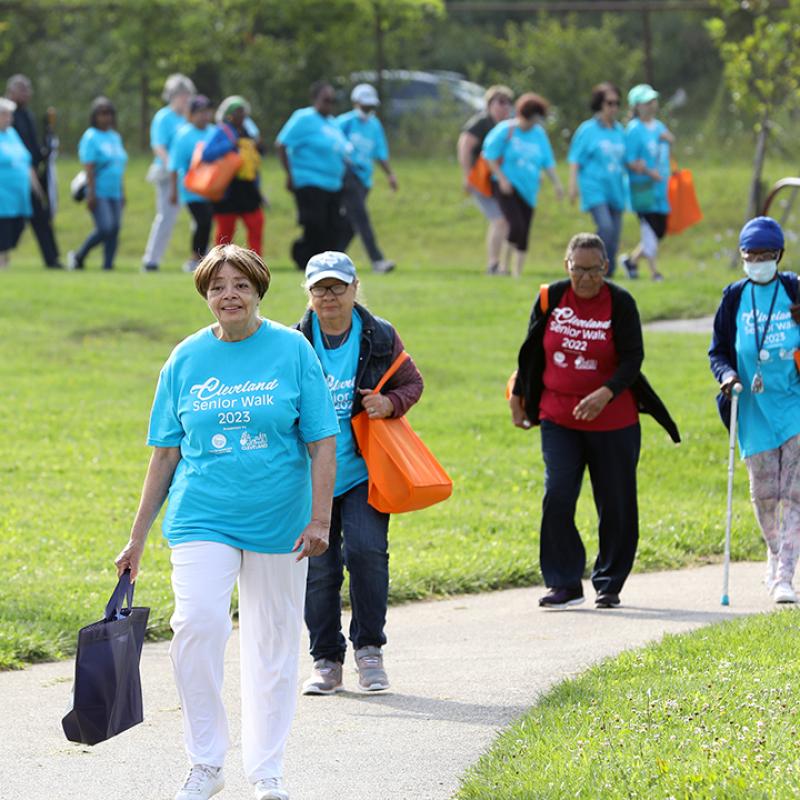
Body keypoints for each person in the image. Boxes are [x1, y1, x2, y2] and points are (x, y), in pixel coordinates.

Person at [114, 244, 338, 800]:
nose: (229, 295)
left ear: (259, 290)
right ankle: (206, 765)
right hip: (201, 516)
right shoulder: (185, 359)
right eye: (217, 286)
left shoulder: (292, 350)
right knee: (196, 626)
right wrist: (137, 539)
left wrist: (320, 519)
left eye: (240, 284)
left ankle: (266, 774)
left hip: (280, 520)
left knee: (273, 643)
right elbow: (165, 454)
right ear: (206, 295)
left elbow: (322, 442)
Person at [509, 232, 679, 610]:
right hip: (559, 416)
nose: (585, 279)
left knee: (615, 502)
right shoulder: (550, 298)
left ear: (605, 267)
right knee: (558, 494)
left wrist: (606, 393)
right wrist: (517, 397)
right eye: (578, 270)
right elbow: (531, 352)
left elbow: (633, 359)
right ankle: (564, 583)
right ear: (566, 266)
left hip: (613, 421)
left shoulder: (620, 302)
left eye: (593, 270)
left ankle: (609, 582)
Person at [294, 251, 423, 694]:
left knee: (367, 554)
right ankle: (326, 659)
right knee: (320, 568)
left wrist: (389, 404)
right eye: (320, 288)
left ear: (354, 289)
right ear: (309, 295)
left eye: (337, 287)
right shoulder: (293, 342)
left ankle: (370, 651)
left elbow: (412, 383)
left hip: (364, 470)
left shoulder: (379, 335)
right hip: (311, 477)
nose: (328, 296)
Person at [709, 217, 800, 605]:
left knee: (795, 493)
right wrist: (727, 376)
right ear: (742, 257)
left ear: (779, 255)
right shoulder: (734, 297)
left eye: (766, 255)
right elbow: (718, 352)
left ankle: (785, 575)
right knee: (765, 494)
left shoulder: (795, 290)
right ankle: (775, 553)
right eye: (751, 255)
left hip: (793, 402)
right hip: (752, 407)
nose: (758, 261)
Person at [482, 92, 563, 278]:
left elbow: (547, 161)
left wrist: (557, 184)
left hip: (529, 188)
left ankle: (517, 273)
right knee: (515, 225)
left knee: (524, 230)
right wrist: (502, 178)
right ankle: (503, 266)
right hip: (507, 187)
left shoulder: (539, 134)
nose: (533, 123)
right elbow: (489, 155)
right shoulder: (506, 130)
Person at [276, 81, 350, 270]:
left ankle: (324, 265)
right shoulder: (304, 118)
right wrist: (289, 174)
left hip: (333, 184)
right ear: (315, 99)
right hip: (309, 180)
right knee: (314, 223)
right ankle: (303, 258)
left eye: (333, 101)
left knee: (335, 226)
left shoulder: (332, 123)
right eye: (326, 100)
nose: (330, 105)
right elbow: (282, 143)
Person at [337, 83, 397, 274]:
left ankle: (332, 257)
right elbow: (332, 146)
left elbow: (380, 152)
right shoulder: (344, 122)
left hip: (364, 179)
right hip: (347, 176)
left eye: (371, 106)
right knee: (361, 218)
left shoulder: (374, 125)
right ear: (356, 103)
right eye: (365, 105)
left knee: (351, 222)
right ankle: (377, 260)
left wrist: (390, 174)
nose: (368, 109)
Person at [568, 83, 626, 277]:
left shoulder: (619, 131)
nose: (613, 107)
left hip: (615, 188)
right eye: (609, 103)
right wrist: (572, 186)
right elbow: (575, 159)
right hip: (594, 186)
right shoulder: (588, 130)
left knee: (615, 234)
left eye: (617, 103)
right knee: (606, 227)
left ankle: (607, 272)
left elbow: (626, 160)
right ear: (599, 104)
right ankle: (590, 263)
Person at [6, 74, 62, 269]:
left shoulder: (27, 115)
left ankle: (52, 258)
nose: (26, 94)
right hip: (14, 179)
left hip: (32, 174)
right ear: (11, 92)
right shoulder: (7, 118)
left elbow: (32, 148)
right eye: (22, 90)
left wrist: (45, 150)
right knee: (15, 222)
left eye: (28, 90)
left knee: (41, 218)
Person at [457, 85, 514, 274]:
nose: (504, 107)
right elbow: (464, 145)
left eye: (507, 103)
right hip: (480, 180)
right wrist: (466, 175)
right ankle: (493, 264)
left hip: (497, 181)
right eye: (500, 102)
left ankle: (502, 265)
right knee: (500, 221)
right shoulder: (482, 123)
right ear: (490, 104)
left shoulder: (508, 126)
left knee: (505, 220)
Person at [142, 73, 196, 272]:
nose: (185, 98)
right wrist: (173, 165)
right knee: (166, 216)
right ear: (172, 96)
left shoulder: (190, 117)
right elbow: (159, 146)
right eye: (181, 94)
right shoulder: (164, 117)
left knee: (199, 216)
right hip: (168, 174)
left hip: (191, 175)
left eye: (187, 94)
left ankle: (200, 258)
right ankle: (151, 260)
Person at [68, 97, 128, 271]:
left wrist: (123, 192)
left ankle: (108, 265)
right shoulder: (91, 137)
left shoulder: (115, 137)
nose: (106, 117)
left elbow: (119, 167)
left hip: (114, 190)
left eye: (109, 113)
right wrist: (91, 194)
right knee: (105, 227)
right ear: (94, 116)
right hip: (98, 190)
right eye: (102, 113)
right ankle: (79, 255)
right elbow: (89, 168)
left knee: (115, 228)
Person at [622, 84, 675, 281]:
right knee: (649, 228)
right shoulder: (634, 130)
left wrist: (669, 139)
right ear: (637, 106)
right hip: (642, 187)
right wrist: (646, 171)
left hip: (661, 186)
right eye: (647, 102)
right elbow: (629, 160)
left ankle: (632, 261)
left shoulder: (659, 125)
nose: (652, 106)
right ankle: (654, 272)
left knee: (659, 230)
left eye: (653, 101)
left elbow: (667, 143)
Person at [203, 95, 265, 255]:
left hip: (247, 187)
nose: (241, 115)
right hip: (227, 188)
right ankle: (219, 262)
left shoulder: (248, 131)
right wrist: (231, 145)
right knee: (225, 230)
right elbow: (207, 154)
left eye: (243, 112)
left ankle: (255, 262)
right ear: (229, 114)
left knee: (256, 222)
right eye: (238, 111)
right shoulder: (221, 131)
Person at [168, 94, 216, 272]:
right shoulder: (183, 135)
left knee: (208, 223)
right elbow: (174, 165)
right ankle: (195, 258)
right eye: (200, 112)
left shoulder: (213, 132)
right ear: (191, 115)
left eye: (207, 112)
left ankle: (204, 257)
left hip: (211, 188)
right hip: (191, 189)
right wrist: (173, 191)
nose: (204, 116)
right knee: (202, 221)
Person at [0, 97, 41, 269]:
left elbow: (26, 160)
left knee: (17, 227)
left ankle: (5, 257)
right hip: (2, 193)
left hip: (18, 194)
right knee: (3, 228)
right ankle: (2, 261)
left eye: (10, 115)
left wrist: (36, 186)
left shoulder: (12, 134)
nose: (10, 118)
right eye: (5, 115)